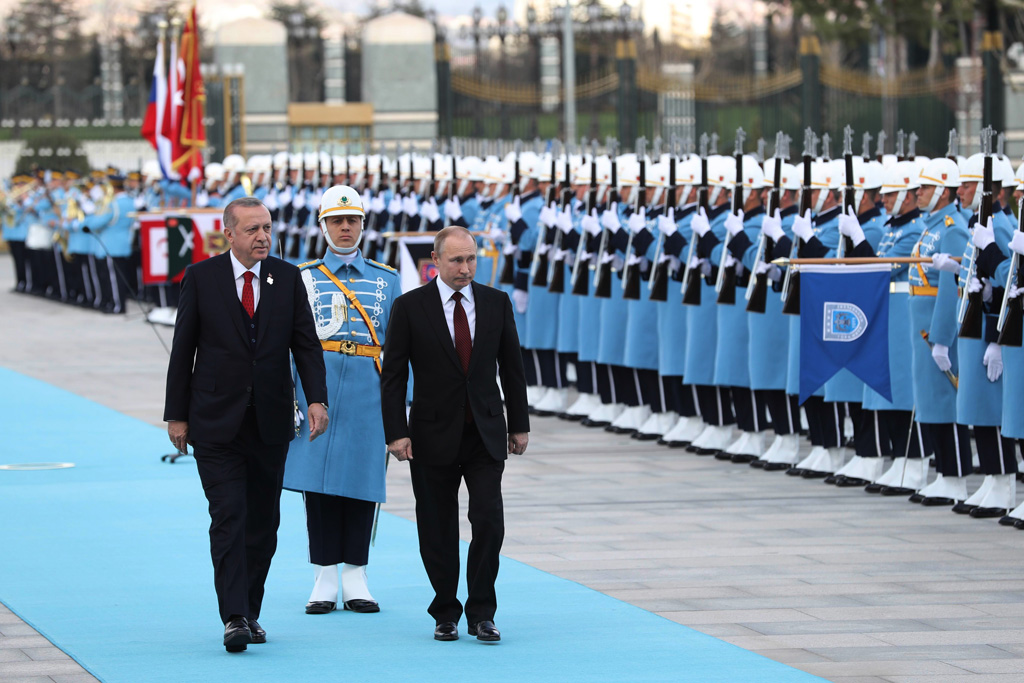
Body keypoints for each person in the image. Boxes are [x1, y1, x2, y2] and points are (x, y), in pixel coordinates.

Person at [163, 196, 329, 653]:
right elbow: (184, 349)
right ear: (229, 234)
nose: (262, 237)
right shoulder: (201, 278)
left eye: (267, 228)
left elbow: (306, 344)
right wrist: (176, 414)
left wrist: (316, 398)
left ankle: (250, 609)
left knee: (263, 523)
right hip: (215, 422)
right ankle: (233, 615)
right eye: (252, 229)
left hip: (271, 421)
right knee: (229, 517)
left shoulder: (288, 278)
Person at [380, 225, 530, 643]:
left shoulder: (496, 304)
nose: (465, 269)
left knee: (489, 522)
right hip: (430, 434)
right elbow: (392, 376)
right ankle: (445, 610)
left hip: (484, 432)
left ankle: (482, 611)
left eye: (471, 260)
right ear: (436, 261)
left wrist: (519, 424)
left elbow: (512, 369)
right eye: (456, 261)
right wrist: (396, 432)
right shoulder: (411, 307)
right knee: (437, 526)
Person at [282, 185, 400, 615]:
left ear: (363, 225)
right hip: (319, 387)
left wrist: (401, 404)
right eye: (336, 220)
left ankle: (356, 573)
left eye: (352, 220)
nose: (345, 228)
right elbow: (289, 341)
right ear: (323, 225)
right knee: (318, 483)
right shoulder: (303, 276)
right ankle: (324, 574)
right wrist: (292, 396)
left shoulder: (387, 279)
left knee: (363, 481)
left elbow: (400, 348)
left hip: (370, 391)